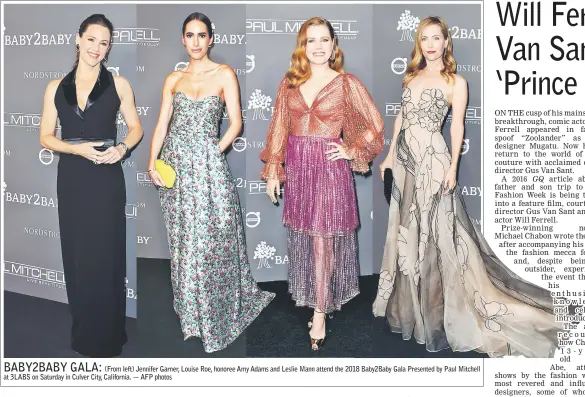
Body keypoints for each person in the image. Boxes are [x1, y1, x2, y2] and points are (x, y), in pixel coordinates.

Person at [373, 16, 562, 358]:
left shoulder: (455, 82)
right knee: (409, 236)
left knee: (439, 238)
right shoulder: (411, 77)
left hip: (433, 161)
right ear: (420, 43)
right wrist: (388, 158)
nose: (430, 44)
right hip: (405, 163)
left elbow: (457, 127)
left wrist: (453, 169)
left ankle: (441, 312)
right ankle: (418, 309)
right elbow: (400, 119)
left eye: (436, 38)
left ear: (446, 43)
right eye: (425, 38)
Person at [147, 12, 274, 354]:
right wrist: (151, 162)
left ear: (211, 39)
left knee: (212, 238)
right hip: (174, 166)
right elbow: (161, 125)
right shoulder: (173, 78)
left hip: (208, 165)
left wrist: (212, 152)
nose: (197, 41)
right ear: (183, 40)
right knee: (184, 240)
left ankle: (214, 310)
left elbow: (236, 123)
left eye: (202, 35)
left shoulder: (224, 74)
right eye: (190, 35)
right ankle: (190, 312)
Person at [260, 17, 385, 351]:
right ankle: (319, 300)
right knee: (310, 239)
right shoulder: (289, 84)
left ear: (333, 45)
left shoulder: (346, 84)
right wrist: (274, 170)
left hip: (330, 172)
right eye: (310, 40)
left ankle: (319, 311)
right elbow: (278, 129)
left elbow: (374, 126)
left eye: (323, 40)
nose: (317, 47)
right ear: (303, 46)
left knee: (323, 240)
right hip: (300, 169)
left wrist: (351, 149)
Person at [39, 14, 143, 357]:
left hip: (105, 178)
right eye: (92, 39)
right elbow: (45, 137)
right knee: (78, 255)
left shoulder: (119, 84)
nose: (97, 48)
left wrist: (121, 149)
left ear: (109, 47)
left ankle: (110, 334)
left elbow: (135, 129)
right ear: (78, 39)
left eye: (104, 42)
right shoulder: (55, 87)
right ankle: (84, 331)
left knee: (107, 254)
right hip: (72, 178)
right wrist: (75, 148)